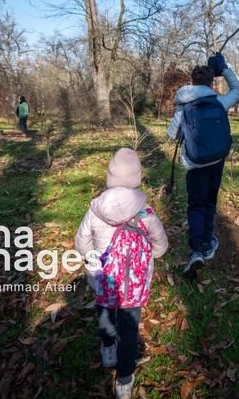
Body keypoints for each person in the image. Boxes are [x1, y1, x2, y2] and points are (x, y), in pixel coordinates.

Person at [74, 148, 168, 399]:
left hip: (102, 280)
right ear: (137, 178)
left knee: (105, 316)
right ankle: (124, 382)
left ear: (109, 176)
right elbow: (161, 248)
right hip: (133, 286)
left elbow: (81, 245)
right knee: (129, 331)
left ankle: (107, 349)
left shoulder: (95, 210)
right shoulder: (146, 213)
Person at [167, 52, 239, 279]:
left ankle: (196, 250)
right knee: (210, 202)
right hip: (217, 160)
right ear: (211, 82)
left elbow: (172, 135)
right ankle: (208, 241)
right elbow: (237, 91)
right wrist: (225, 67)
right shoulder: (218, 101)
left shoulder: (184, 105)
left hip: (195, 165)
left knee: (196, 206)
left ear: (192, 81)